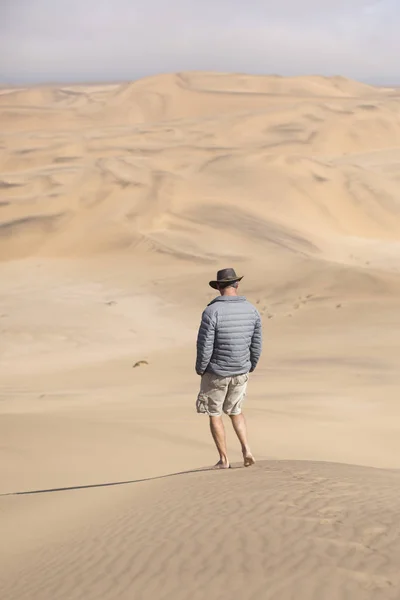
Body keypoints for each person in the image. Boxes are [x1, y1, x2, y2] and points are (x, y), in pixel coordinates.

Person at [196, 268, 262, 469]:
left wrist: (201, 368)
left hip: (216, 372)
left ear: (218, 287)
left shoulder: (211, 311)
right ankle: (246, 450)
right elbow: (256, 342)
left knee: (215, 413)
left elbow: (205, 344)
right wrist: (251, 364)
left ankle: (224, 460)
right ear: (237, 285)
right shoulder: (252, 310)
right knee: (236, 410)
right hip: (241, 370)